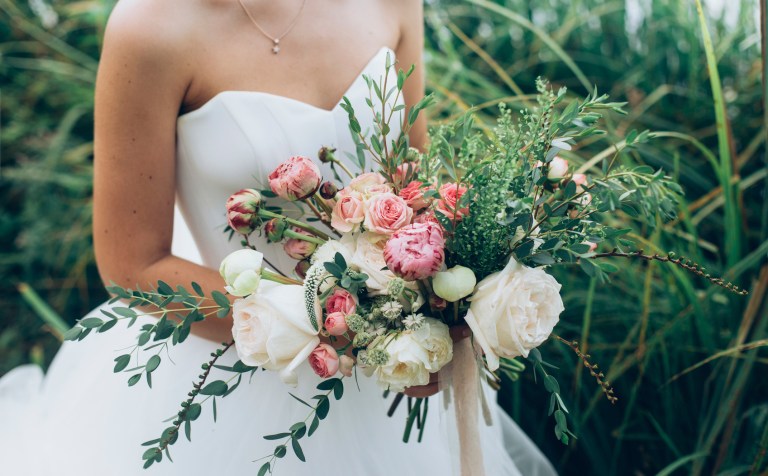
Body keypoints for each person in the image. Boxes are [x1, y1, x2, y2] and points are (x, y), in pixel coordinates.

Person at [0, 1, 557, 474]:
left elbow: (413, 182)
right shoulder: (150, 28)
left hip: (396, 374)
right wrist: (345, 332)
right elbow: (132, 265)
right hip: (236, 372)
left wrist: (442, 301)